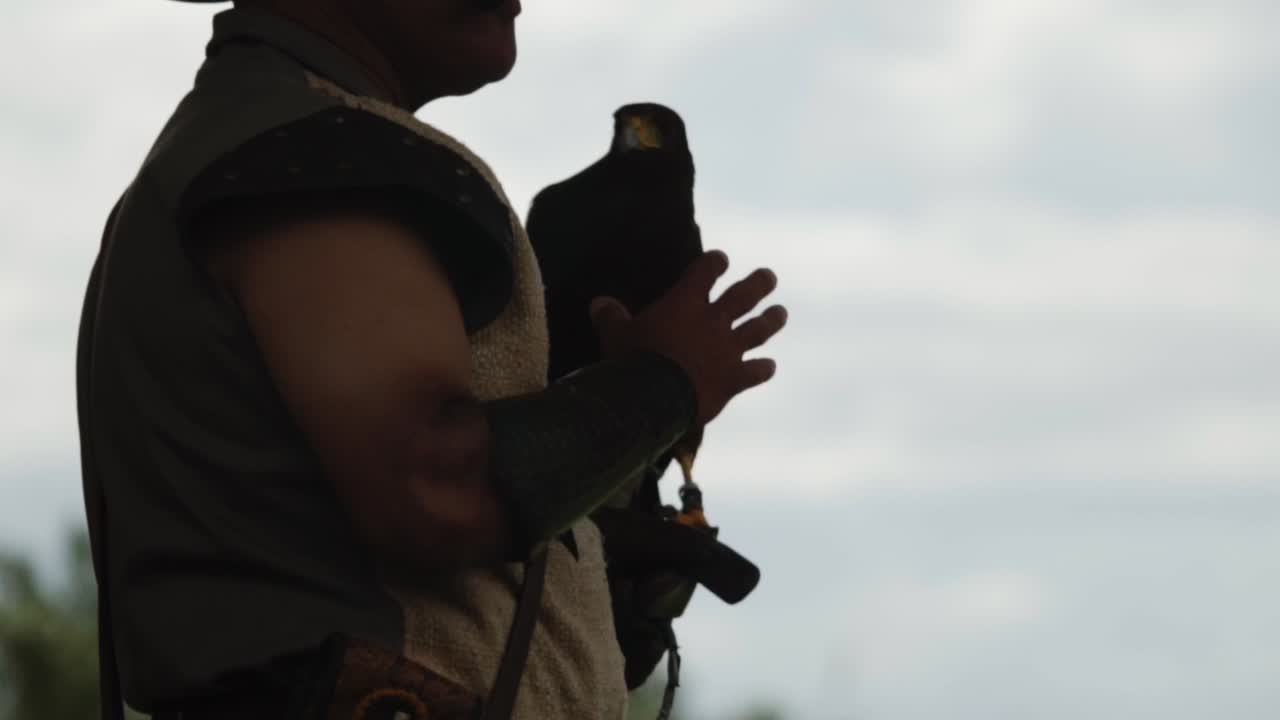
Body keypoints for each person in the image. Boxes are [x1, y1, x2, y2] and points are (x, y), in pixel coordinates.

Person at [74, 0, 788, 718]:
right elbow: (434, 491)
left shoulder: (261, 143)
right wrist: (665, 384)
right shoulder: (310, 157)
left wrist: (599, 530)